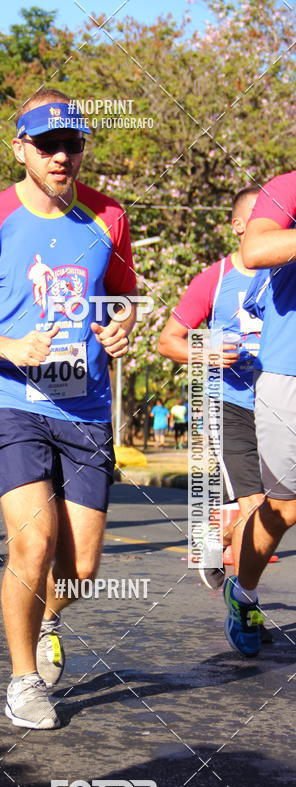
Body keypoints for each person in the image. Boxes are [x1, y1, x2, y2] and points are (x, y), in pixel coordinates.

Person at [0, 88, 137, 729]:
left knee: (80, 569)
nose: (60, 157)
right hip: (10, 401)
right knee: (34, 540)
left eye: (71, 144)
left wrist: (121, 326)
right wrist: (9, 347)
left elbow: (123, 296)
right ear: (20, 148)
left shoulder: (108, 217)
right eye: (47, 145)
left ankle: (47, 618)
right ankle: (22, 682)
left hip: (85, 408)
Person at [157, 189, 277, 621]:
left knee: (278, 510)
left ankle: (217, 539)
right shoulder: (215, 278)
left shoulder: (286, 275)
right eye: (262, 216)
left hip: (278, 405)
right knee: (254, 505)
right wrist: (203, 351)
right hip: (229, 404)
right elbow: (167, 341)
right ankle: (245, 606)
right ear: (239, 226)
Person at [218, 170, 296, 657]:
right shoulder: (287, 186)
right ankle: (243, 592)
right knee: (284, 507)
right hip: (287, 372)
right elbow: (256, 250)